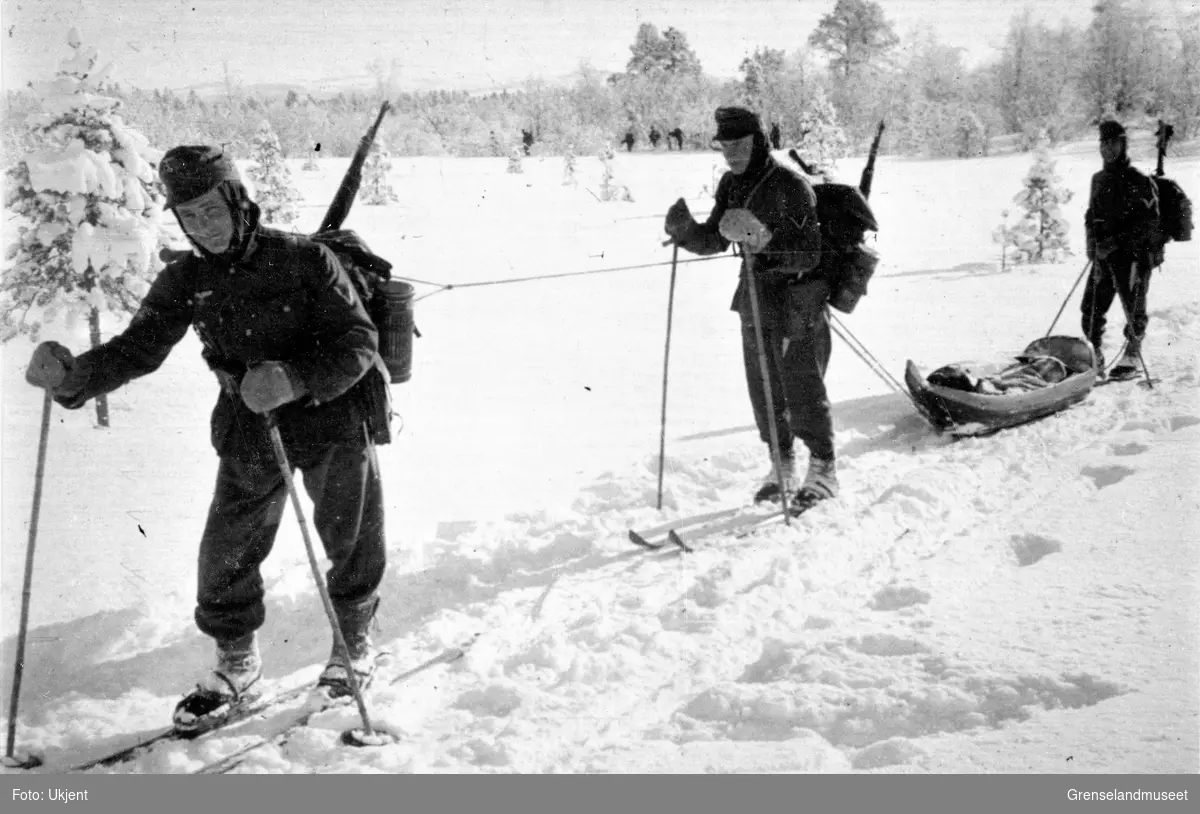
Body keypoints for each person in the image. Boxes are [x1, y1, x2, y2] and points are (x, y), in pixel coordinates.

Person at [24, 146, 392, 733]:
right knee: (227, 550)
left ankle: (357, 644)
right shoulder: (186, 279)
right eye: (188, 217)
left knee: (349, 537)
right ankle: (237, 664)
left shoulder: (307, 260)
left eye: (211, 212)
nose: (202, 228)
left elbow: (357, 343)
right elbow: (137, 348)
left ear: (238, 202)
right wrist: (73, 379)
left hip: (332, 420)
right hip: (249, 427)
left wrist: (293, 377)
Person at [663, 106, 836, 513]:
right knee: (763, 387)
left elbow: (810, 253)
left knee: (801, 387)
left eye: (740, 145)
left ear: (758, 142)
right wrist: (686, 231)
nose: (732, 154)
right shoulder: (731, 184)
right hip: (756, 297)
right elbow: (716, 238)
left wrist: (763, 239)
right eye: (725, 146)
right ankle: (783, 466)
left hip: (797, 298)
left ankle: (824, 469)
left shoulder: (791, 186)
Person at [1082, 120, 1160, 378]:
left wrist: (1114, 242)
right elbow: (1091, 215)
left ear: (1123, 144)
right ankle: (1096, 356)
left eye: (1113, 143)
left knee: (1133, 308)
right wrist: (1092, 245)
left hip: (1134, 256)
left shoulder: (1138, 179)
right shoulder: (1098, 179)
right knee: (1091, 308)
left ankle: (1132, 353)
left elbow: (1148, 223)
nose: (1108, 149)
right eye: (1103, 144)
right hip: (1103, 256)